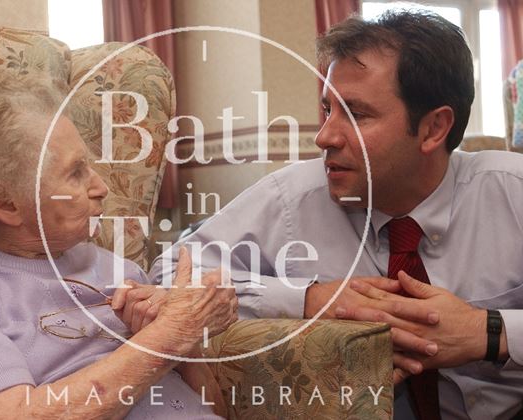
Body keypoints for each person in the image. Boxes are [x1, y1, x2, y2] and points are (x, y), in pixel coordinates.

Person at [149, 10, 523, 420]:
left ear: (435, 128)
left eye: (357, 114)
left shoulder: (511, 192)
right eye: (327, 109)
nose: (324, 135)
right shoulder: (294, 197)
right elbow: (167, 274)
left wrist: (491, 331)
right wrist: (307, 299)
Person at [0, 71, 238, 420]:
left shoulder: (122, 271)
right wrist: (171, 334)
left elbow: (214, 411)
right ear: (7, 204)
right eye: (76, 172)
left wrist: (189, 342)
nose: (101, 187)